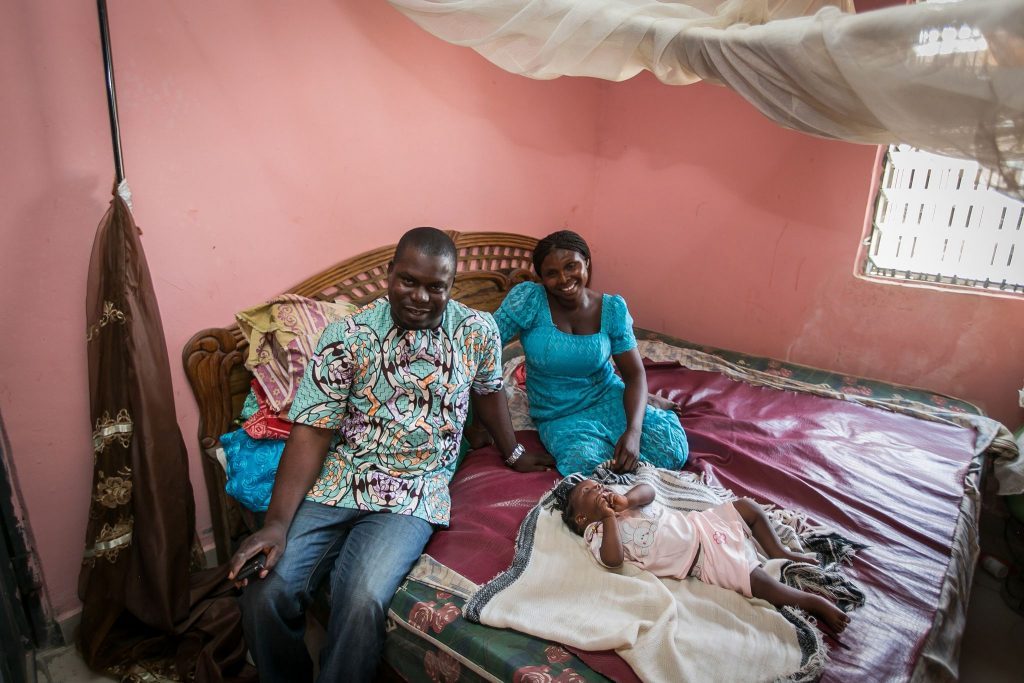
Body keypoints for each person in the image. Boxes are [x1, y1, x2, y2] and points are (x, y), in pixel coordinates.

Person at [228, 227, 555, 683]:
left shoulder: (477, 332)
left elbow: (488, 391)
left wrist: (514, 451)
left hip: (415, 492)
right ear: (389, 275)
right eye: (408, 281)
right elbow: (312, 432)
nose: (420, 297)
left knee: (361, 598)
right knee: (266, 593)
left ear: (451, 284)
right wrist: (277, 524)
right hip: (341, 478)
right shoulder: (348, 335)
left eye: (435, 286)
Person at [492, 230, 688, 475]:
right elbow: (484, 343)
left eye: (571, 266)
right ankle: (646, 403)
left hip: (606, 394)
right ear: (541, 277)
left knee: (671, 449)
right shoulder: (529, 301)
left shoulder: (612, 309)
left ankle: (645, 401)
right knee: (584, 466)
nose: (564, 279)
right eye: (552, 273)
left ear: (587, 262)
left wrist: (633, 433)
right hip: (558, 412)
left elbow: (635, 375)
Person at [562, 478, 850, 635]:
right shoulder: (597, 533)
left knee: (748, 508)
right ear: (581, 518)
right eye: (589, 490)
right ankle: (812, 602)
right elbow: (612, 559)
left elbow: (648, 491)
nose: (599, 488)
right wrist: (610, 518)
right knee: (760, 583)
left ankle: (779, 551)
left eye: (597, 484)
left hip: (702, 524)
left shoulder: (621, 498)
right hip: (704, 559)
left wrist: (628, 500)